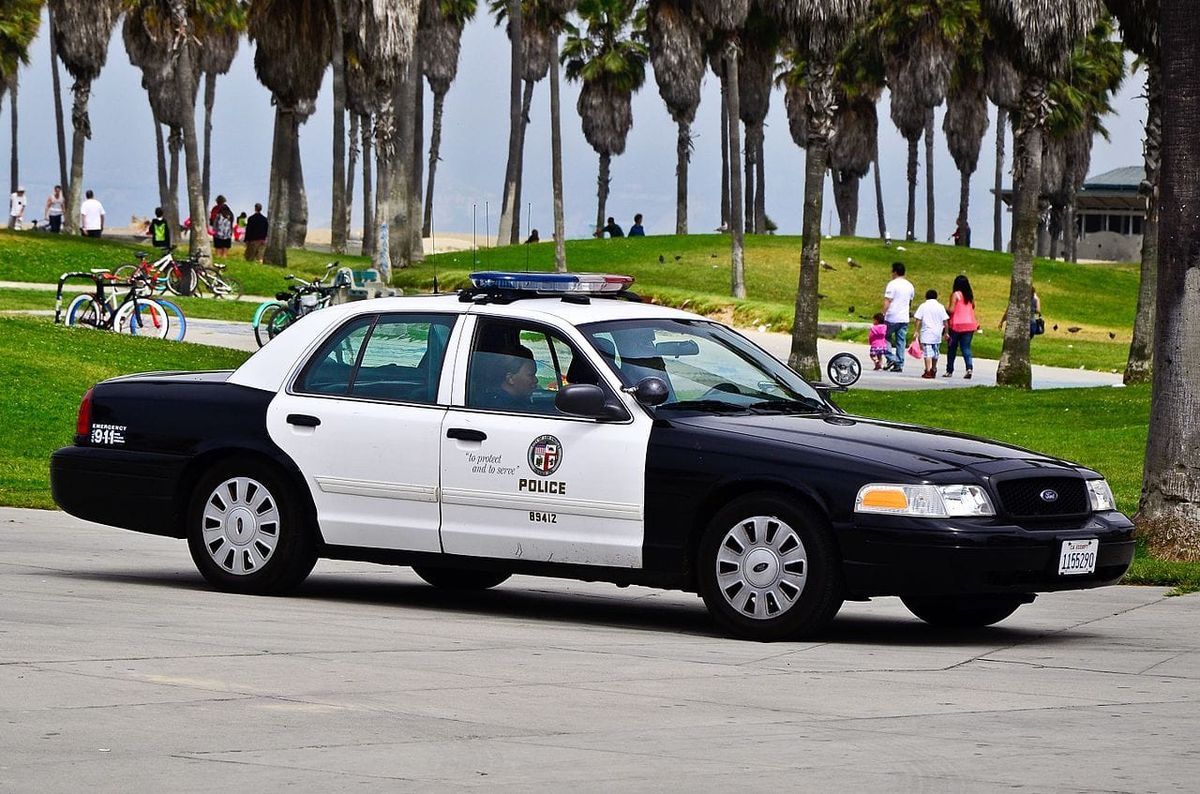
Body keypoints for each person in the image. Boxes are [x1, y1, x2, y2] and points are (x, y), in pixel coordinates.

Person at [881, 262, 916, 372]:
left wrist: (882, 313)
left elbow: (888, 301)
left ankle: (891, 358)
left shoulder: (892, 284)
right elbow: (910, 302)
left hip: (892, 316)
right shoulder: (910, 285)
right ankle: (899, 364)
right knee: (901, 341)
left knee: (885, 337)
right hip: (904, 317)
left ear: (895, 272)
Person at [945, 274, 978, 379]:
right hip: (970, 325)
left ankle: (949, 370)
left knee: (952, 348)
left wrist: (944, 310)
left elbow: (951, 310)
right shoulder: (969, 296)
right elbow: (973, 306)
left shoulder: (955, 295)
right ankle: (969, 368)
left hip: (956, 325)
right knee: (966, 347)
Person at [913, 289, 949, 380]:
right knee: (935, 352)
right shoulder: (940, 307)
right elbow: (945, 321)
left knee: (927, 353)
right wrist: (946, 332)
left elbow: (918, 319)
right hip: (937, 333)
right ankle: (934, 368)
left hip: (927, 332)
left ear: (926, 296)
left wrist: (916, 331)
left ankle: (928, 370)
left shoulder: (923, 306)